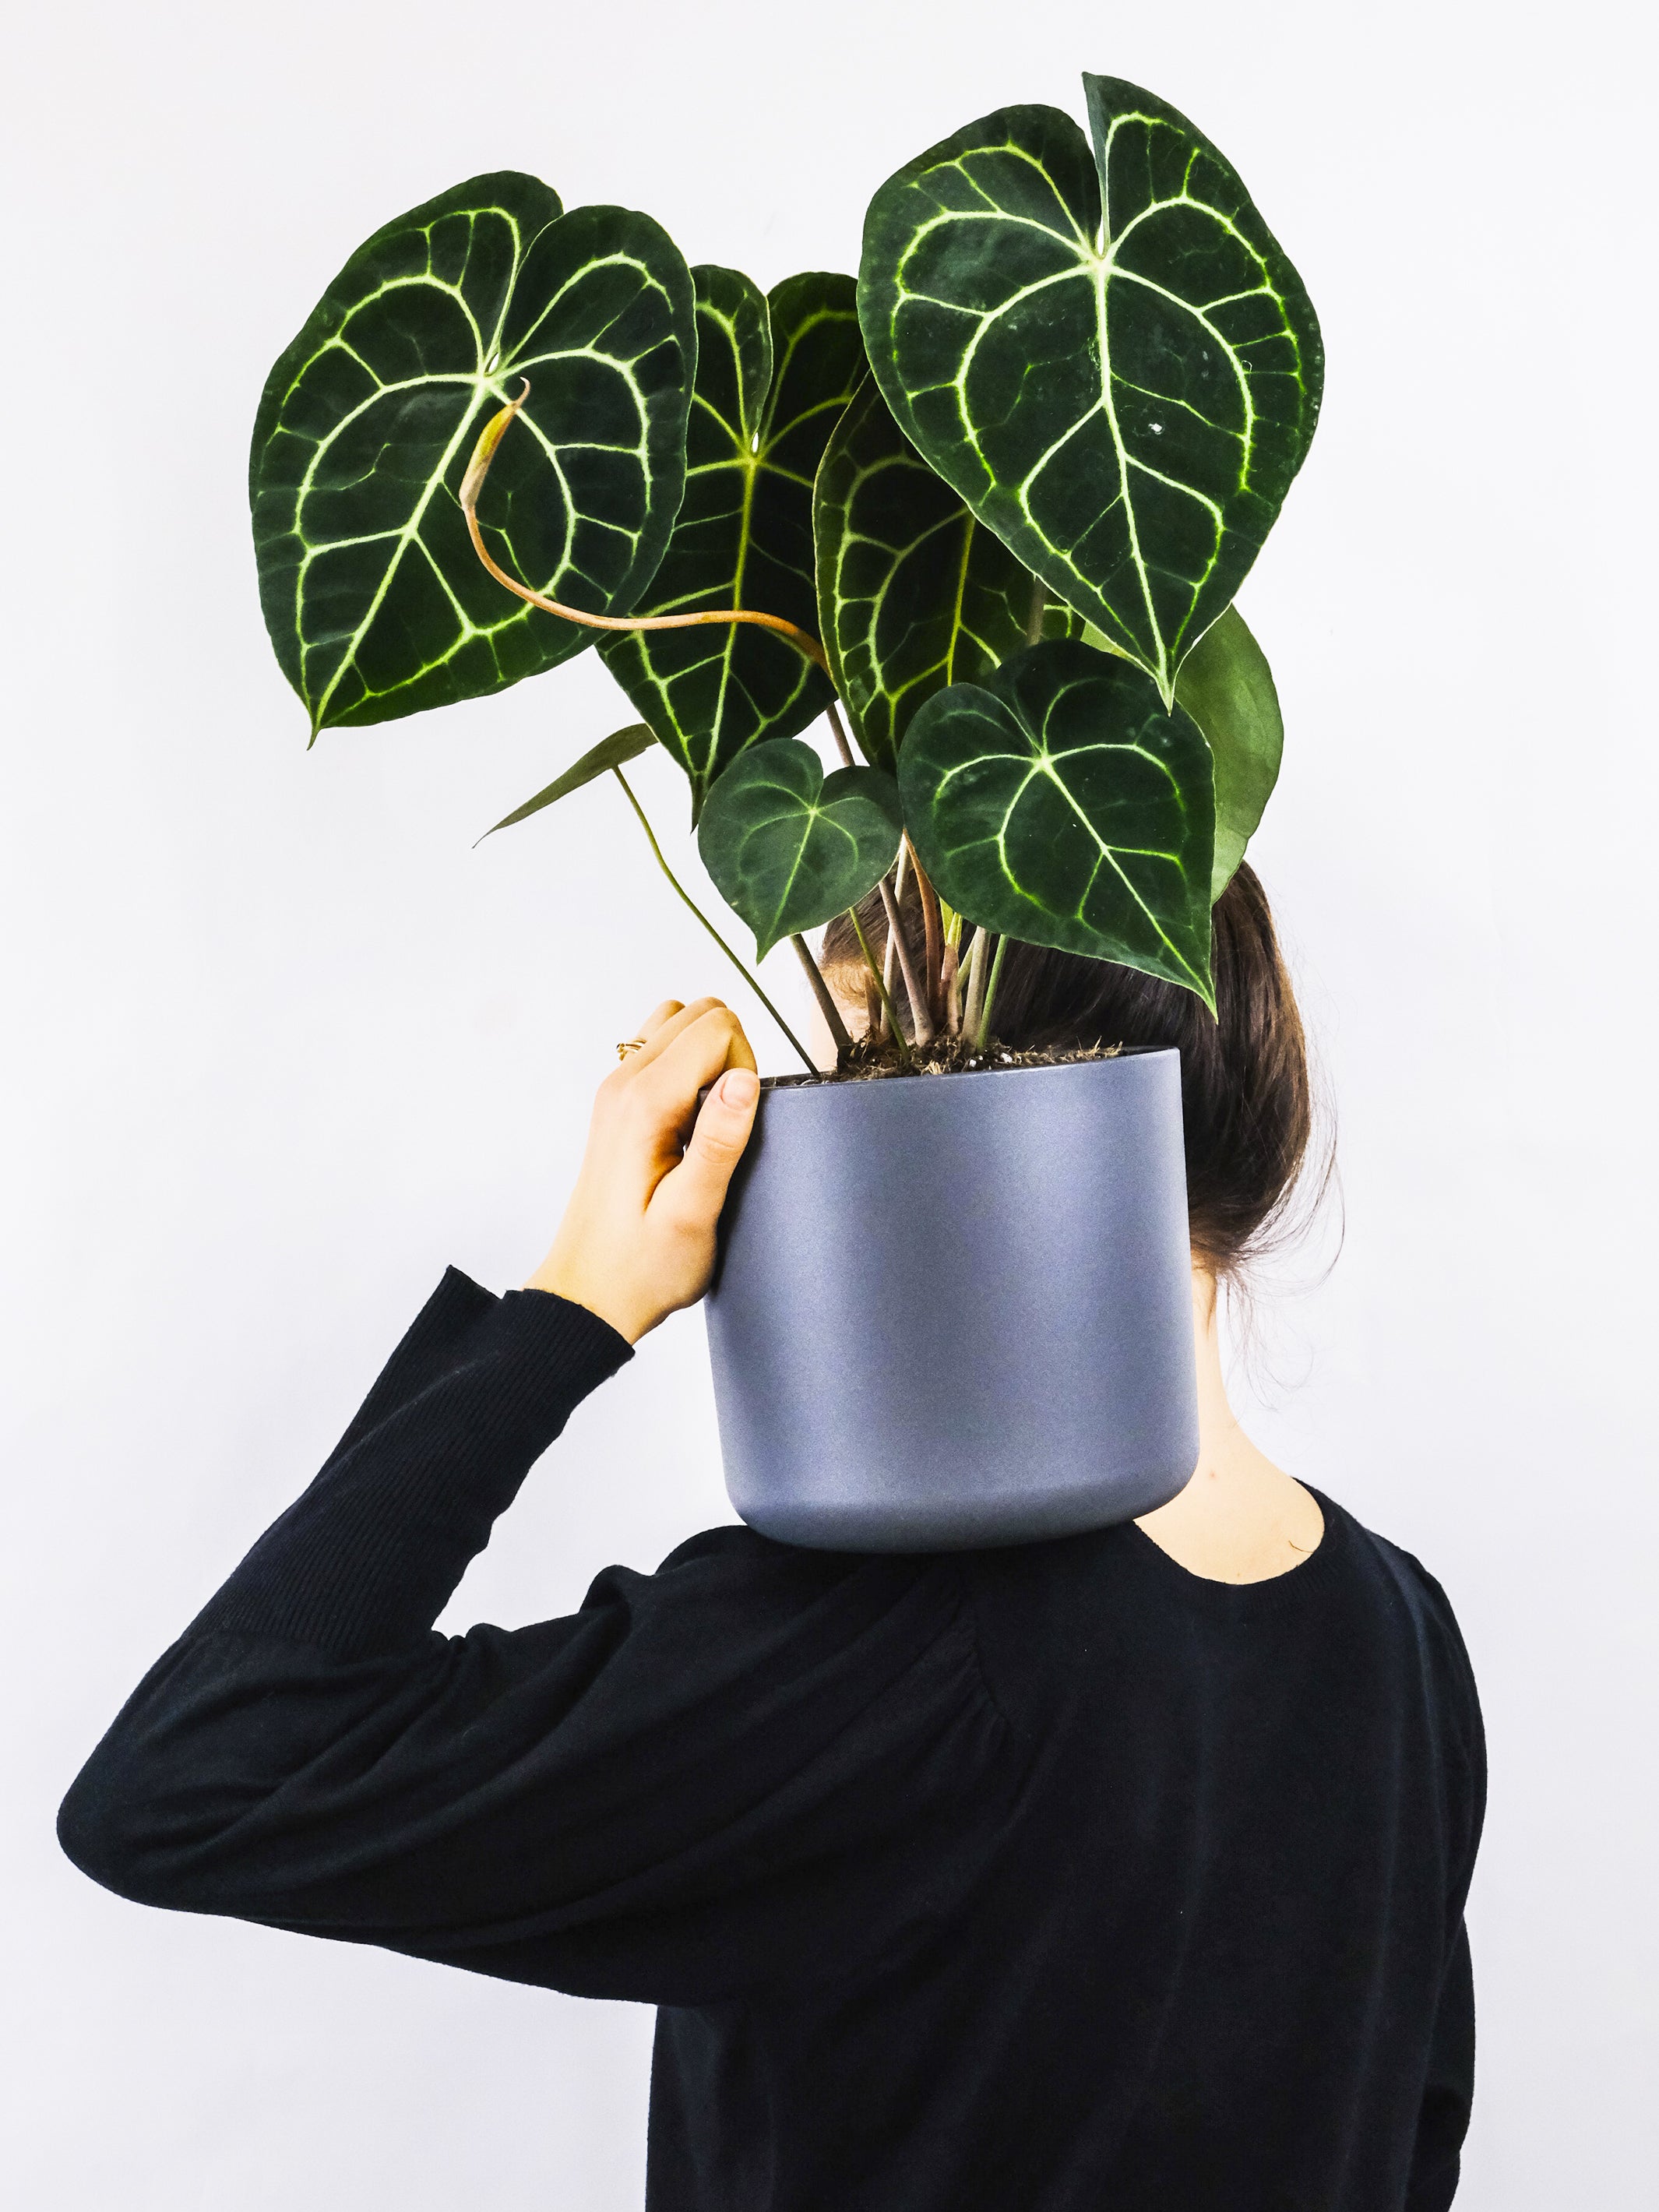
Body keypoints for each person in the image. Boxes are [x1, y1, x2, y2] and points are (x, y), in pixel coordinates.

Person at [58, 865, 1485, 2211]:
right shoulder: (1399, 1638)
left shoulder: (886, 1653)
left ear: (951, 1108)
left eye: (841, 1046)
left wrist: (574, 1299)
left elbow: (193, 1779)